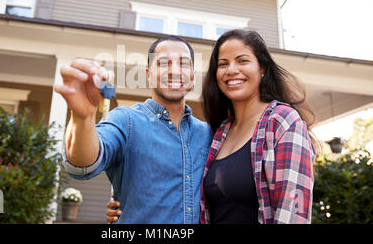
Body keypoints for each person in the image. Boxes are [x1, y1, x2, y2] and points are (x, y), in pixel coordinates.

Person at [107, 29, 317, 224]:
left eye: (242, 60)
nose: (232, 70)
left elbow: (294, 212)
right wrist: (128, 201)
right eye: (223, 64)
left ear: (262, 68)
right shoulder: (219, 133)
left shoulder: (283, 122)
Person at [54, 35, 213, 224]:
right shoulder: (126, 121)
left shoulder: (209, 134)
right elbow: (82, 163)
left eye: (184, 64)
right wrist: (82, 117)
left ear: (193, 76)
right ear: (148, 75)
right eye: (163, 63)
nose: (174, 71)